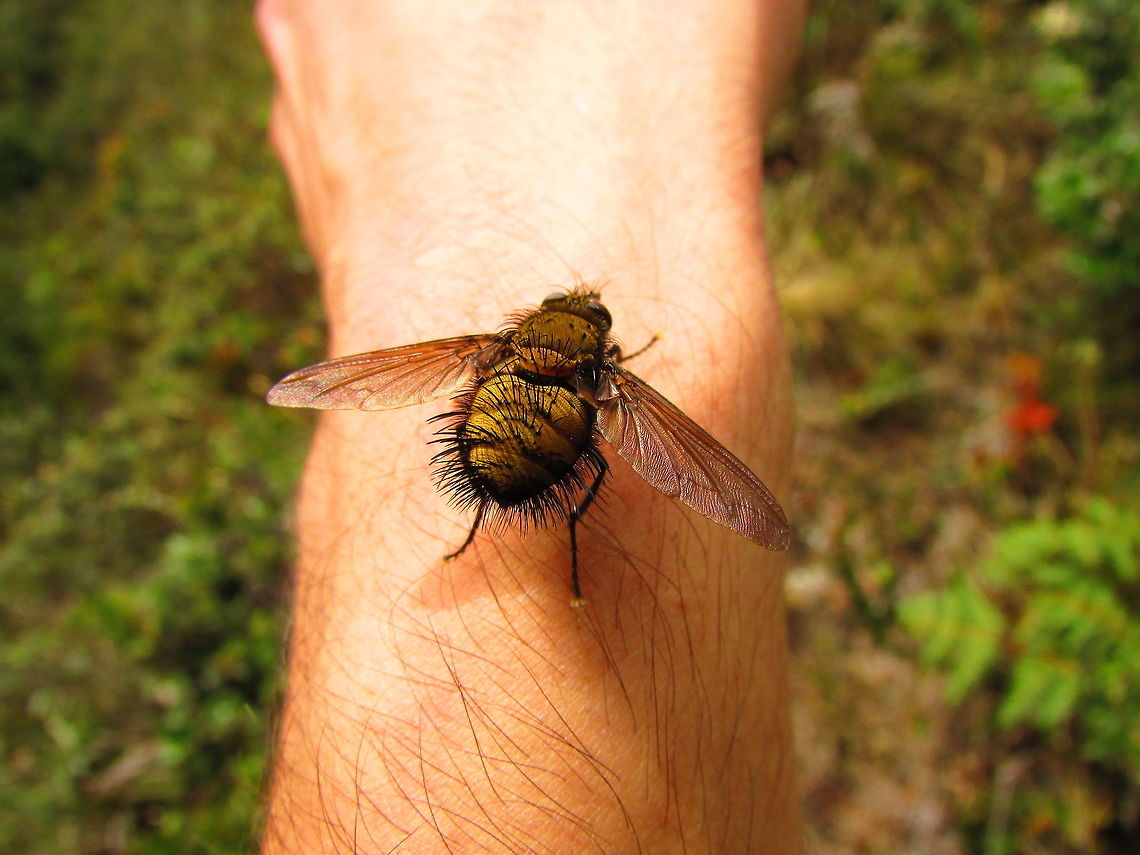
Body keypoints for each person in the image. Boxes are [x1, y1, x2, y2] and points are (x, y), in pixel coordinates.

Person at [255, 1, 806, 852]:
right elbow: (674, 454)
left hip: (490, 439)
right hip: (530, 444)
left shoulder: (488, 347)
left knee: (539, 438)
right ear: (606, 352)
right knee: (599, 472)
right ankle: (564, 546)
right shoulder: (615, 382)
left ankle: (484, 523)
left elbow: (416, 369)